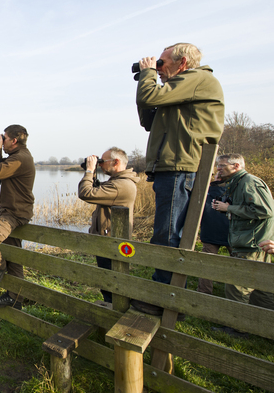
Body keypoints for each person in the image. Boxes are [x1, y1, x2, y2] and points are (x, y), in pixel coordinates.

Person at [132, 42, 225, 316]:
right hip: (172, 168)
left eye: (161, 63)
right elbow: (149, 119)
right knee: (166, 233)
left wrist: (148, 75)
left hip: (180, 168)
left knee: (168, 235)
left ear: (182, 63)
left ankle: (166, 299)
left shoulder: (198, 79)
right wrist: (144, 78)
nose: (158, 69)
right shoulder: (180, 91)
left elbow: (151, 97)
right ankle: (167, 296)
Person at [0, 125, 35, 310]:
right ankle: (16, 298)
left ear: (14, 140)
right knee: (14, 257)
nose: (2, 142)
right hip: (14, 212)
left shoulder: (20, 158)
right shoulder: (19, 157)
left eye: (4, 138)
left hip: (14, 214)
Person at [210, 154, 274, 315]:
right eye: (218, 165)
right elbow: (248, 211)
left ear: (237, 166)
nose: (218, 168)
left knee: (237, 287)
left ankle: (237, 327)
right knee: (260, 288)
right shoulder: (237, 183)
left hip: (251, 244)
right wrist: (224, 207)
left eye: (222, 165)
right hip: (251, 242)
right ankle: (263, 323)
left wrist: (229, 208)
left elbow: (265, 210)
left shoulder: (249, 182)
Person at [77, 147, 139, 307]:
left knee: (112, 283)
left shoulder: (121, 185)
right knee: (109, 282)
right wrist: (94, 172)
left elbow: (86, 193)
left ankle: (117, 311)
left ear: (116, 162)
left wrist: (90, 170)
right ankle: (114, 308)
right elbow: (97, 190)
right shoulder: (118, 182)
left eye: (103, 162)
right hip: (109, 239)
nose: (101, 165)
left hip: (112, 241)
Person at [197, 177, 231, 295]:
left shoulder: (205, 193)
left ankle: (204, 292)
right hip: (231, 233)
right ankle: (236, 294)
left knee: (207, 265)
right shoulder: (234, 192)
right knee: (237, 264)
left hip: (210, 232)